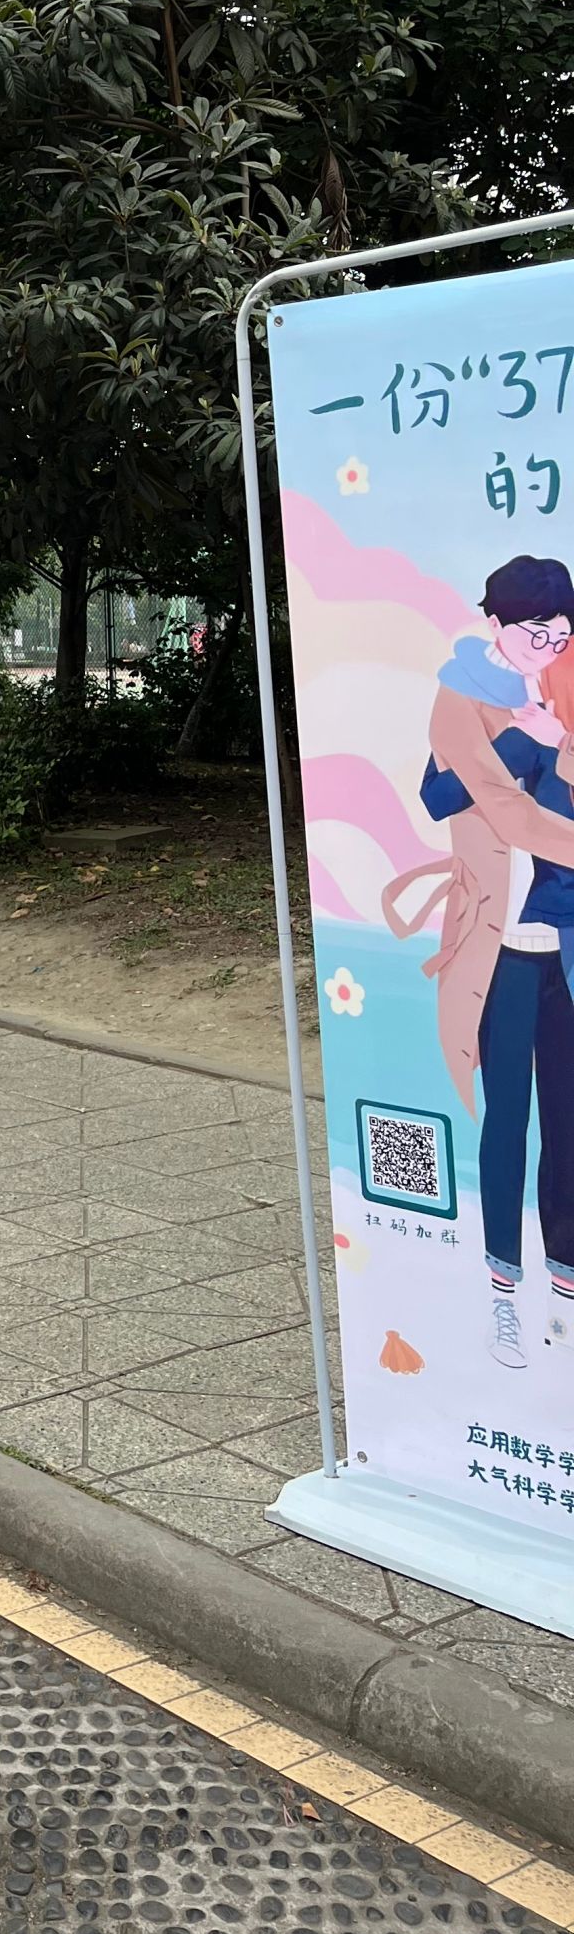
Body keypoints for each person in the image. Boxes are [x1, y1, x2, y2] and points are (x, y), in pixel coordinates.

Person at [409, 569, 574, 1369]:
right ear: (496, 622)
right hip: (500, 947)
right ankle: (504, 1295)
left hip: (564, 941)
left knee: (570, 1123)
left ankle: (565, 1292)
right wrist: (529, 741)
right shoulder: (463, 696)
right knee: (507, 1118)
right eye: (536, 632)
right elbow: (463, 801)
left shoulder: (563, 689)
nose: (549, 646)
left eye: (561, 634)